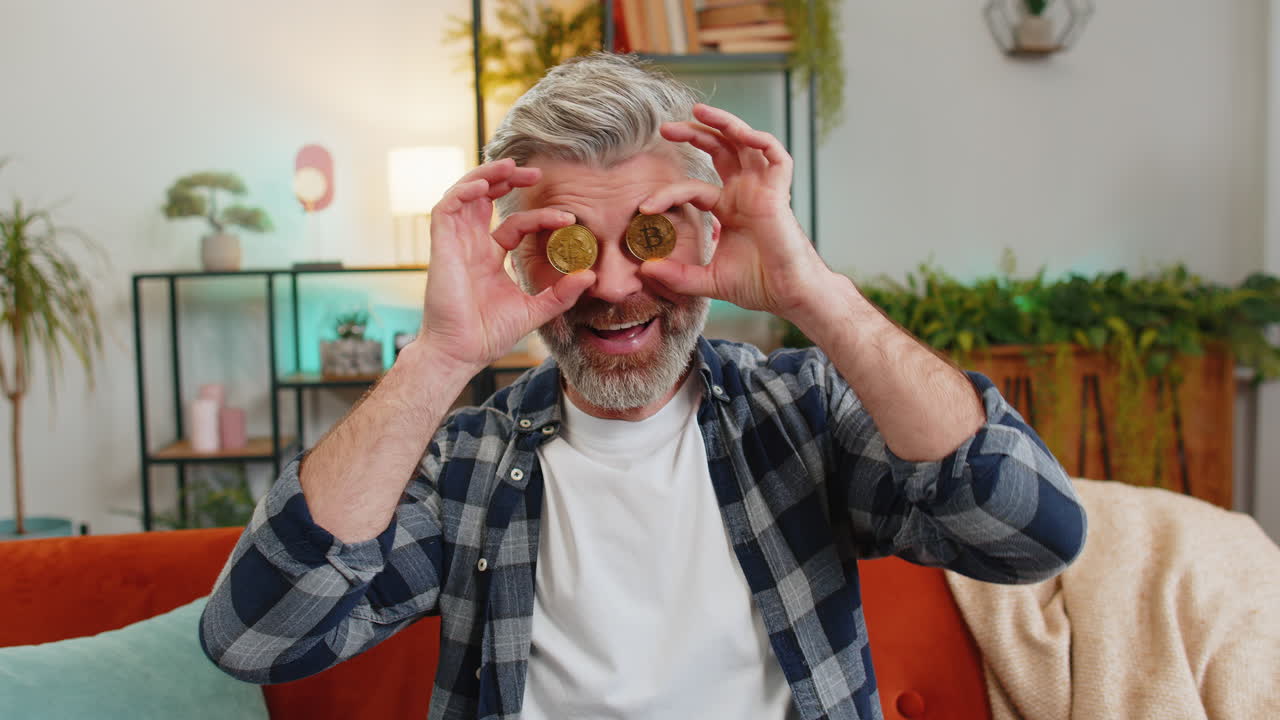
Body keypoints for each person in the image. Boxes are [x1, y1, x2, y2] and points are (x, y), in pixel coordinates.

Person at [201, 53, 1086, 720]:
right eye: (570, 243)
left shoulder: (804, 413)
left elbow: (1034, 534)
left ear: (709, 235)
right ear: (522, 256)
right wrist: (439, 355)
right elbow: (255, 637)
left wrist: (813, 292)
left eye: (650, 233)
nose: (615, 285)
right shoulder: (467, 464)